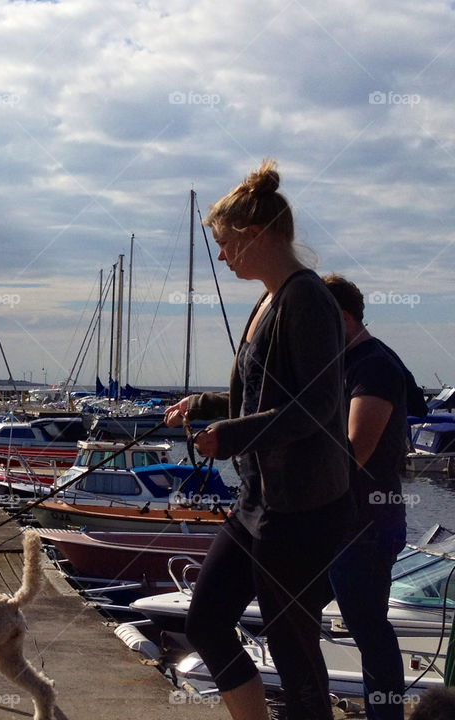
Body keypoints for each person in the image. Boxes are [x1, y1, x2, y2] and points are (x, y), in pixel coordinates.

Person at [164, 159, 354, 720]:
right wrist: (202, 408)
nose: (221, 257)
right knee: (205, 621)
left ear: (254, 236)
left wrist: (234, 433)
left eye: (225, 245)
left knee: (294, 655)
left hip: (301, 509)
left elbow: (319, 407)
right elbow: (264, 397)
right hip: (258, 504)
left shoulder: (307, 299)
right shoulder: (268, 299)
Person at [323, 274, 426, 720]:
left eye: (318, 322)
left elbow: (355, 450)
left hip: (364, 525)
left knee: (368, 629)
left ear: (343, 320)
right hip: (332, 521)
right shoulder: (349, 362)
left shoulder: (374, 365)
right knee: (296, 618)